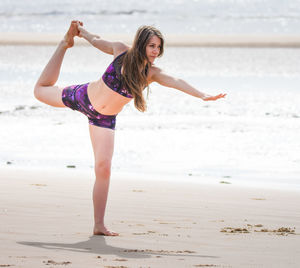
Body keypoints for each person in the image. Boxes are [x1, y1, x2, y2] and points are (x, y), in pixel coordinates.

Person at [34, 20, 226, 236]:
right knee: (40, 91)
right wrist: (80, 33)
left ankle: (99, 224)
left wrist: (202, 95)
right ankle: (63, 45)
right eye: (152, 46)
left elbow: (175, 80)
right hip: (83, 97)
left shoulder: (150, 73)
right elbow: (97, 41)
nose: (156, 51)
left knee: (104, 168)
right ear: (141, 43)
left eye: (159, 47)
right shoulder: (120, 50)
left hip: (103, 120)